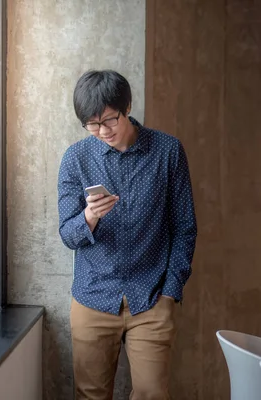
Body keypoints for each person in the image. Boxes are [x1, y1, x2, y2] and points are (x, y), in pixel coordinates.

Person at [57, 70, 197, 400]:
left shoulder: (168, 151)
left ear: (128, 106)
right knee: (90, 395)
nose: (102, 131)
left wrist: (170, 293)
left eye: (109, 120)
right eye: (92, 124)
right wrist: (90, 216)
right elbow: (67, 234)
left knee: (152, 393)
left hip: (151, 298)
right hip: (93, 296)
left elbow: (184, 229)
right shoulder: (76, 159)